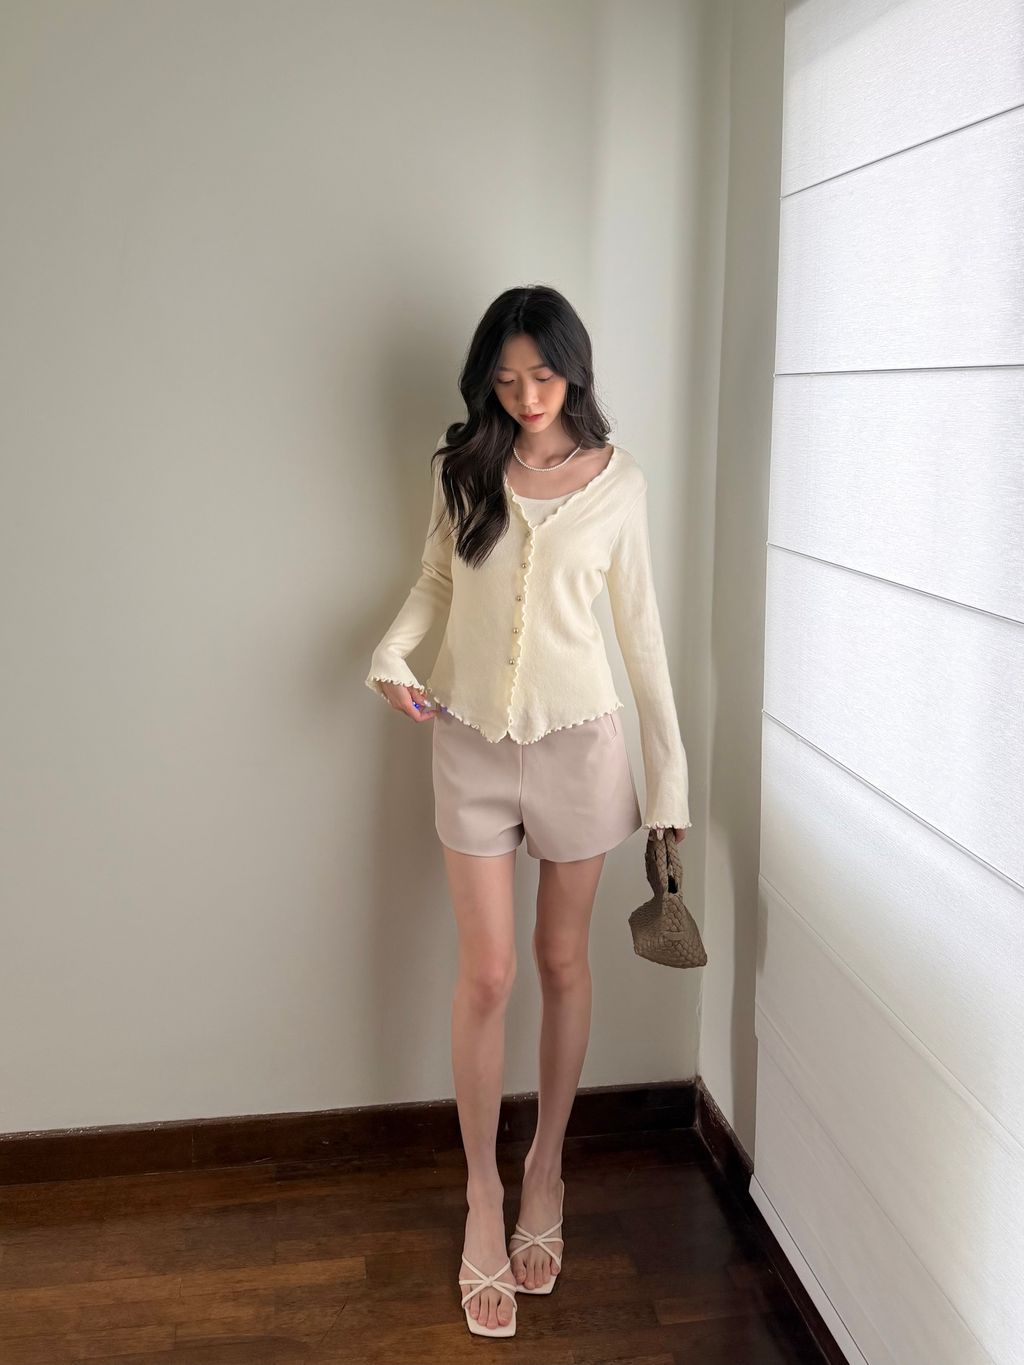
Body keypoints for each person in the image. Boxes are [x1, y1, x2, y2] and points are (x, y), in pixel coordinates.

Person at [365, 284, 691, 1338]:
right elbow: (435, 580)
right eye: (505, 380)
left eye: (542, 374)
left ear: (573, 369)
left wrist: (670, 786)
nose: (526, 395)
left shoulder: (621, 484)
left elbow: (641, 637)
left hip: (582, 747)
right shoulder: (462, 466)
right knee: (489, 974)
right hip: (466, 741)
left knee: (559, 963)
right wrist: (390, 653)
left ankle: (546, 1167)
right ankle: (482, 1193)